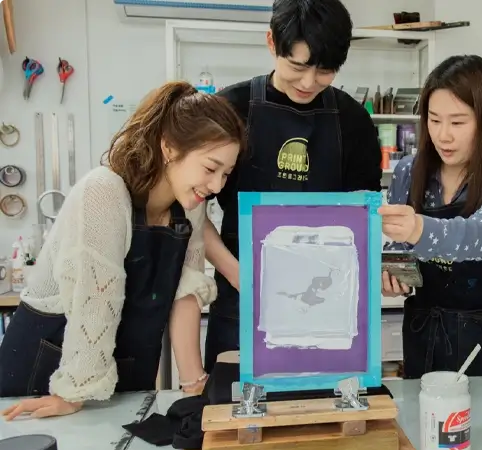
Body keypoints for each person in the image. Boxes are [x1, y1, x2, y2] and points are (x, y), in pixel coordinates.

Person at [0, 82, 245, 419]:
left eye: (226, 174)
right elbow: (96, 301)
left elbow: (186, 292)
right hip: (50, 368)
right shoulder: (104, 192)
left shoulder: (188, 206)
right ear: (169, 148)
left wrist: (194, 385)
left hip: (121, 371)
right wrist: (74, 392)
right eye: (210, 168)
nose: (217, 185)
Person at [202, 0, 383, 371]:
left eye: (325, 71)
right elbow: (189, 210)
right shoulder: (228, 109)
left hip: (327, 302)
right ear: (271, 42)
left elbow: (365, 218)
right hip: (242, 297)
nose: (308, 82)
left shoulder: (353, 122)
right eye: (298, 66)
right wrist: (238, 274)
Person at [379, 55, 482, 379]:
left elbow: (480, 236)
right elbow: (399, 250)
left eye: (458, 122)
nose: (443, 135)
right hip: (427, 336)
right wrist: (395, 277)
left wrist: (418, 227)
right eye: (434, 120)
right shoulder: (409, 171)